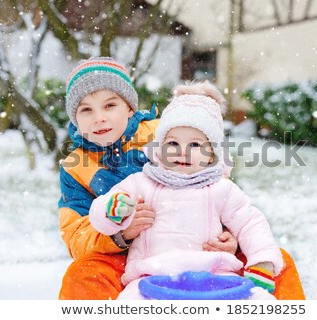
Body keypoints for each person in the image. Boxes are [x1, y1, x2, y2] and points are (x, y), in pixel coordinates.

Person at [88, 81, 301, 300]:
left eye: (195, 145)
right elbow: (99, 215)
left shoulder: (221, 189)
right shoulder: (142, 183)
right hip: (151, 277)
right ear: (160, 148)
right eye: (172, 144)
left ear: (212, 154)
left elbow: (250, 223)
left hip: (216, 276)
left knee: (260, 301)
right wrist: (113, 209)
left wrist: (262, 261)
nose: (183, 152)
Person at [58, 57, 239, 300]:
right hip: (123, 257)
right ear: (75, 119)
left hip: (196, 243)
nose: (99, 117)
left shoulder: (164, 134)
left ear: (130, 108)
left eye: (110, 105)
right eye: (86, 109)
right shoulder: (75, 168)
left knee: (275, 262)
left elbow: (218, 182)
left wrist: (230, 234)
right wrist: (120, 235)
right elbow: (76, 236)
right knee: (83, 274)